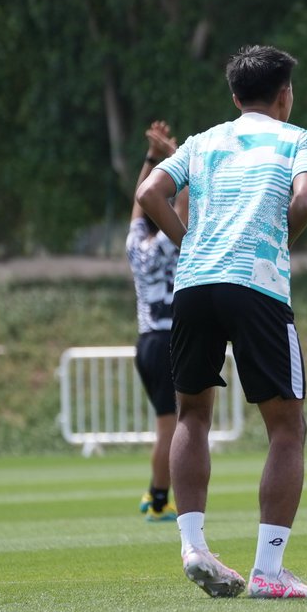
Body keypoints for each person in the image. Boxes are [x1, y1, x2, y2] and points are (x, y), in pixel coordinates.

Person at [136, 45, 307, 599]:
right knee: (287, 427)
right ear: (284, 94)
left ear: (235, 96)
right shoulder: (299, 139)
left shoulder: (202, 141)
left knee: (191, 414)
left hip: (193, 285)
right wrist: (280, 244)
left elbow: (150, 192)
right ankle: (269, 571)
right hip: (257, 284)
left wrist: (189, 241)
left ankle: (194, 545)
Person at [126, 120, 188, 523]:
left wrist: (152, 158)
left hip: (144, 341)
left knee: (165, 421)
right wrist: (179, 160)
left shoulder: (135, 244)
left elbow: (140, 199)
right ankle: (158, 497)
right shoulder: (167, 243)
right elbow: (179, 202)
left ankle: (157, 493)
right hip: (166, 339)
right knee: (170, 424)